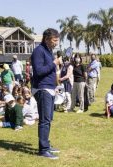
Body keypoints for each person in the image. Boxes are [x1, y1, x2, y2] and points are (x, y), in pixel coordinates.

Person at [31, 28, 61, 159]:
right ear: (47, 39)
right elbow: (38, 71)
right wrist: (54, 63)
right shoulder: (39, 51)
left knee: (48, 119)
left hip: (49, 88)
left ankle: (46, 145)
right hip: (42, 89)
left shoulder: (48, 51)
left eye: (57, 40)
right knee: (44, 120)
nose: (56, 43)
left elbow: (50, 71)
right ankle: (43, 150)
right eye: (55, 40)